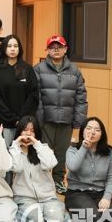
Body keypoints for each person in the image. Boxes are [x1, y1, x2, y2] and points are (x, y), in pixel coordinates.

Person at [10, 116, 71, 222]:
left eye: (32, 130)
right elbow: (16, 167)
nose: (28, 133)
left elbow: (51, 163)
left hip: (48, 197)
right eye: (25, 130)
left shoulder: (42, 148)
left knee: (60, 220)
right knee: (34, 219)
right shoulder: (13, 150)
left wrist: (36, 144)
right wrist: (16, 145)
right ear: (19, 131)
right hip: (24, 198)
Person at [34, 35, 88, 194]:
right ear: (47, 50)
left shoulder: (75, 71)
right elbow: (35, 96)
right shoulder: (38, 69)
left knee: (62, 153)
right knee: (43, 151)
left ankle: (58, 181)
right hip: (46, 120)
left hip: (66, 119)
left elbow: (81, 97)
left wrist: (79, 120)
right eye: (52, 47)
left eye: (59, 47)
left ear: (65, 49)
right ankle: (42, 181)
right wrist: (39, 119)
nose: (56, 50)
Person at [0, 34, 39, 147]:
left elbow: (33, 94)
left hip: (24, 124)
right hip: (4, 121)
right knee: (5, 151)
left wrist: (21, 118)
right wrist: (11, 118)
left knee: (23, 151)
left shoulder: (27, 69)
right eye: (9, 46)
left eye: (15, 46)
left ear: (19, 48)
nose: (12, 49)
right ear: (4, 48)